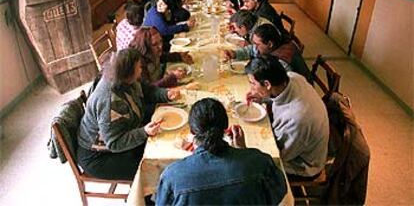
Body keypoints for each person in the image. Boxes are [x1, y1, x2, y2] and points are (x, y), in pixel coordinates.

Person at [156, 98, 287, 205]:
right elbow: (279, 193)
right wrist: (244, 151)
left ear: (192, 131)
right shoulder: (259, 162)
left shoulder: (172, 176)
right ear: (225, 128)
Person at [77, 48, 181, 180]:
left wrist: (166, 94)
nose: (141, 69)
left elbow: (148, 91)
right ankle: (148, 198)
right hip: (98, 156)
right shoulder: (110, 102)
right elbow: (115, 142)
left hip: (123, 129)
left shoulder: (125, 78)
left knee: (162, 135)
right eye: (139, 67)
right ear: (128, 72)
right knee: (153, 168)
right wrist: (143, 132)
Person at [245, 56, 329, 178]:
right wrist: (263, 97)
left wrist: (245, 148)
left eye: (252, 83)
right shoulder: (293, 77)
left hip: (303, 164)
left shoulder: (296, 118)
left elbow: (278, 154)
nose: (251, 88)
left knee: (247, 165)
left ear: (267, 84)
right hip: (298, 141)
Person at [224, 24, 311, 82]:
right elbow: (251, 50)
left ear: (270, 44)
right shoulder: (273, 44)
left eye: (257, 44)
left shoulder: (281, 61)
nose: (255, 47)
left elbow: (281, 88)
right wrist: (234, 54)